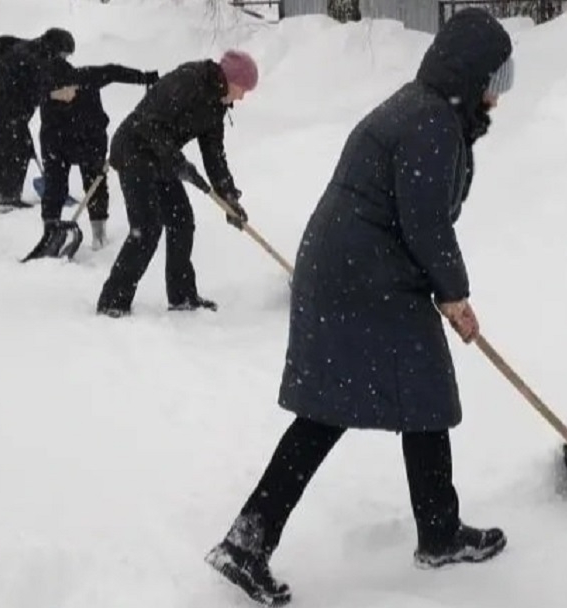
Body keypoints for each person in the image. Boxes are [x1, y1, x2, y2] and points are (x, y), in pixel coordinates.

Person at [202, 8, 514, 606]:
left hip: (357, 268)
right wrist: (453, 293)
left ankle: (261, 538)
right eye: (497, 82)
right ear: (475, 76)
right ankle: (257, 542)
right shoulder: (432, 121)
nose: (500, 97)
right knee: (370, 402)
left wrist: (444, 288)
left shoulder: (425, 106)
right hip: (363, 275)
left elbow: (416, 216)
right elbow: (423, 220)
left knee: (389, 400)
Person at [94, 50, 254, 317]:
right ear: (230, 79)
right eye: (243, 89)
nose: (242, 96)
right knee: (146, 229)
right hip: (134, 148)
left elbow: (214, 156)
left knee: (181, 222)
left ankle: (182, 296)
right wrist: (177, 161)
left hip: (161, 158)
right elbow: (150, 123)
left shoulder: (217, 104)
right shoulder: (189, 81)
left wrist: (229, 198)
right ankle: (113, 300)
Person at [36, 59, 160, 251]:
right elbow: (47, 137)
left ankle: (99, 234)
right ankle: (50, 233)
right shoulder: (45, 96)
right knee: (54, 185)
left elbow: (113, 72)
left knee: (95, 183)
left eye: (69, 89)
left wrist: (143, 78)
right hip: (57, 142)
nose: (66, 95)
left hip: (90, 138)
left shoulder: (86, 77)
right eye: (59, 94)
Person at [0, 28, 79, 210]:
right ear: (56, 48)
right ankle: (9, 197)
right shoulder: (39, 61)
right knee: (18, 148)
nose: (64, 60)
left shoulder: (28, 47)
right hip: (2, 104)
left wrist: (1, 70)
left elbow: (1, 41)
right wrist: (59, 95)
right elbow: (41, 92)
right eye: (64, 55)